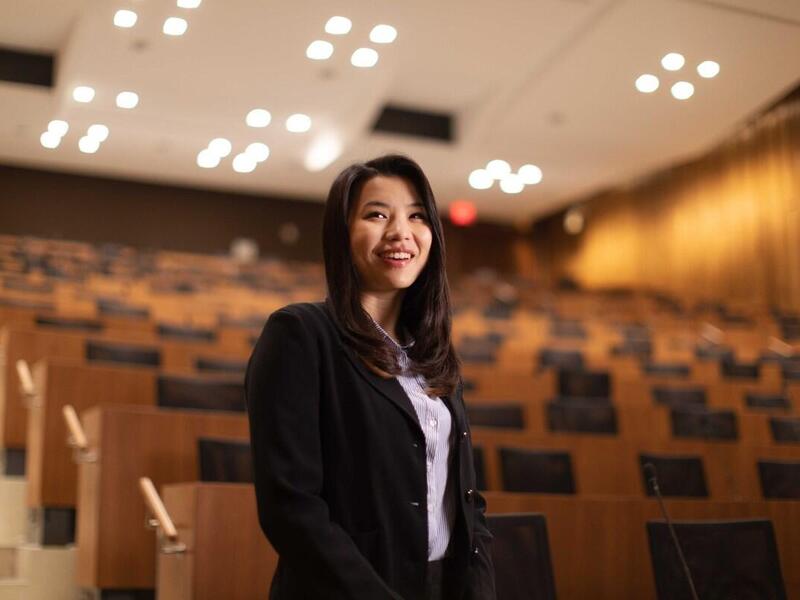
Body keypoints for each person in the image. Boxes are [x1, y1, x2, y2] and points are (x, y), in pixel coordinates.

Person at [245, 154, 496, 599]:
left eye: (417, 216)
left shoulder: (433, 355)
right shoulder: (301, 335)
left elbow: (466, 503)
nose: (400, 232)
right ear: (342, 233)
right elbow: (292, 508)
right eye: (377, 214)